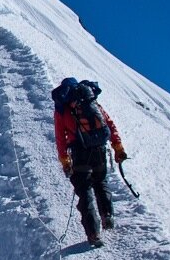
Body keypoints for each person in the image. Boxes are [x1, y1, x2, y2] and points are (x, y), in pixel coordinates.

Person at [52, 78, 128, 247]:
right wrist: (118, 147)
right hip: (99, 150)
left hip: (80, 154)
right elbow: (109, 123)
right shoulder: (91, 101)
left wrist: (65, 161)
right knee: (101, 182)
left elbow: (60, 138)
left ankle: (93, 233)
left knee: (85, 190)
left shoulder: (62, 109)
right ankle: (107, 215)